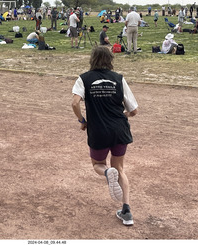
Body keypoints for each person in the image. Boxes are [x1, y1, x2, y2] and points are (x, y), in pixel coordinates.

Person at [71, 46, 138, 226]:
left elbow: (75, 102)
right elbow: (134, 110)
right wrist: (124, 115)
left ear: (92, 59)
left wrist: (82, 120)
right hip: (119, 130)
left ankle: (108, 173)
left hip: (98, 130)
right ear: (110, 60)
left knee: (98, 164)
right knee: (121, 169)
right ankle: (126, 211)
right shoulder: (119, 79)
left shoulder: (83, 79)